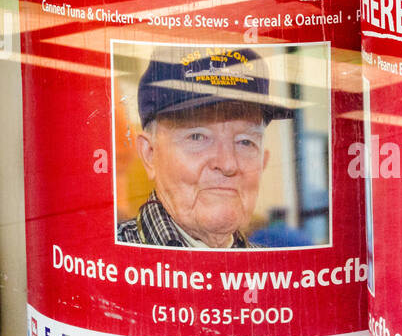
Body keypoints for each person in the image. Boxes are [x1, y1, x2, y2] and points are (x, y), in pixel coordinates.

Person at [116, 47, 293, 248]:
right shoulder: (106, 258)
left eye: (245, 142)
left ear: (263, 162)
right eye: (197, 137)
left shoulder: (272, 270)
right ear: (149, 154)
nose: (227, 164)